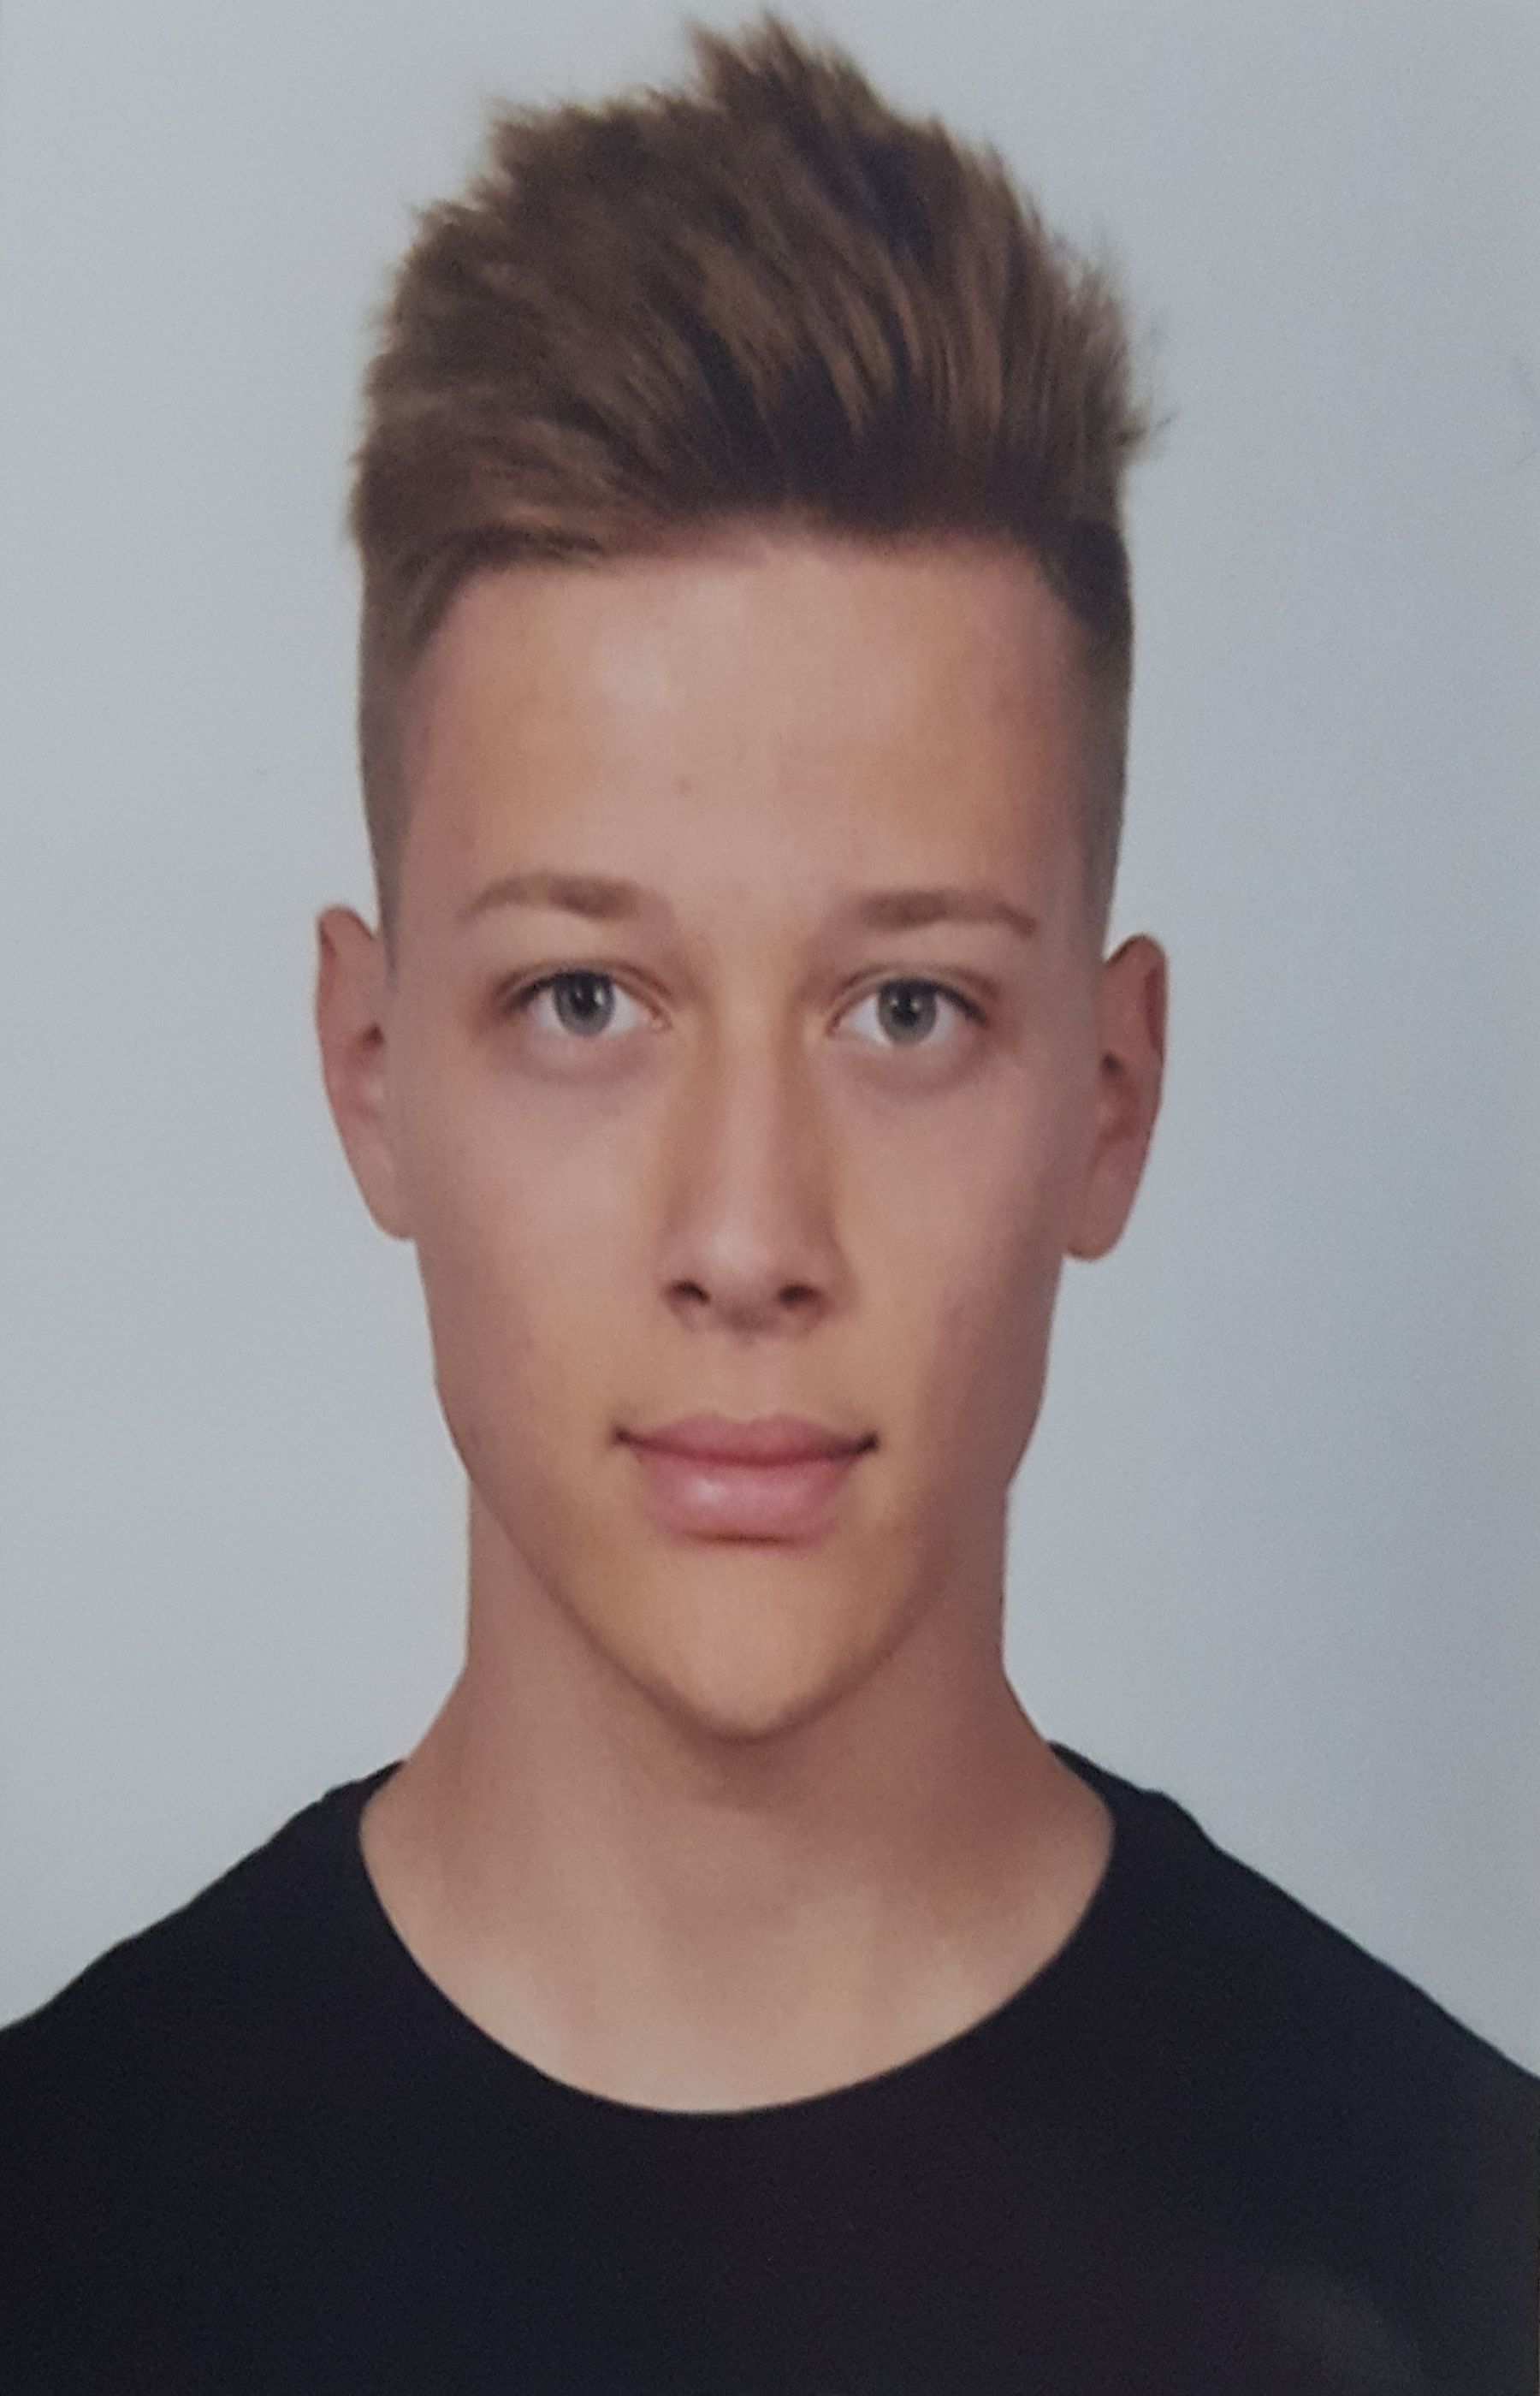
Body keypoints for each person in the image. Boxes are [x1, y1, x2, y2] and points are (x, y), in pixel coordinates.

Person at [2, 15, 1535, 2393]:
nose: (745, 1237)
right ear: (372, 1071)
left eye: (905, 1011)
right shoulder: (53, 2243)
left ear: (1110, 1094)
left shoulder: (1465, 2276)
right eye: (586, 1000)